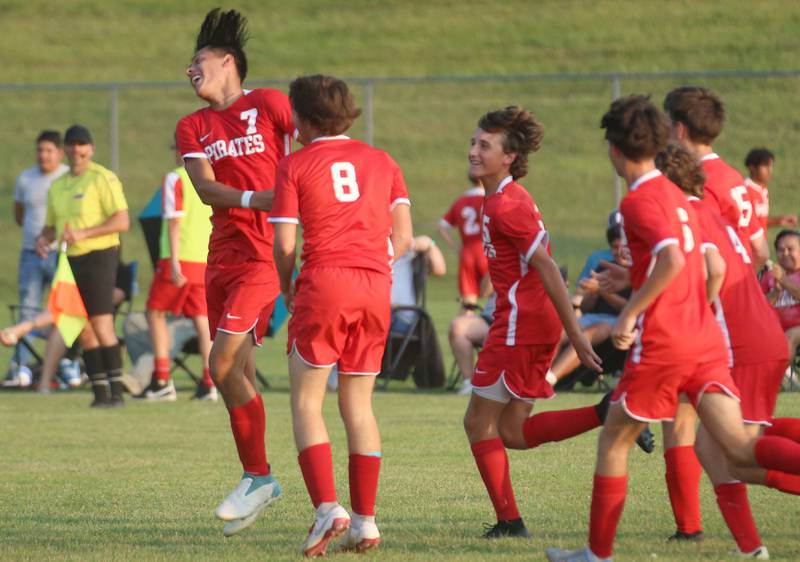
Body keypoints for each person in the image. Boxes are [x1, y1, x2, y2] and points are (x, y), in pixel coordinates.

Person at [546, 95, 800, 562]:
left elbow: (672, 259)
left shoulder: (639, 200)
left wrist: (628, 313)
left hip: (667, 342)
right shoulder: (678, 195)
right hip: (706, 341)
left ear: (614, 149)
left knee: (614, 440)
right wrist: (636, 279)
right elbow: (700, 262)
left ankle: (596, 555)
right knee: (738, 446)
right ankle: (744, 547)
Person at [271, 74, 412, 556]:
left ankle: (328, 507)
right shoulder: (383, 161)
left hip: (326, 281)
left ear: (305, 119)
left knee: (307, 402)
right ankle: (366, 522)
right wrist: (373, 269)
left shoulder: (295, 164)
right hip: (376, 286)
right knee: (358, 405)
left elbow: (285, 242)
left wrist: (288, 284)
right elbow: (405, 239)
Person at [176, 8, 295, 536]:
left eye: (198, 60)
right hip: (219, 258)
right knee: (237, 374)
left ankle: (258, 476)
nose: (189, 70)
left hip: (265, 256)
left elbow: (310, 149)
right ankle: (266, 482)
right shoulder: (192, 124)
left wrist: (298, 209)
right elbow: (205, 188)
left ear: (228, 62)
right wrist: (261, 196)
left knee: (219, 365)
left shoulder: (268, 103)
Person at [462, 105, 605, 540]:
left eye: (484, 146)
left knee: (478, 423)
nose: (473, 151)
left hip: (518, 326)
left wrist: (576, 335)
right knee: (512, 431)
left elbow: (546, 267)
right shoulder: (502, 198)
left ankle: (510, 522)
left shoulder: (507, 205)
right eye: (473, 142)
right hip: (525, 321)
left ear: (508, 157)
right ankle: (609, 410)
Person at [656, 143, 792, 557]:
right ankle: (750, 549)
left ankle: (750, 547)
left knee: (739, 452)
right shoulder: (713, 213)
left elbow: (712, 270)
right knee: (715, 450)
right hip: (759, 336)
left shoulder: (690, 216)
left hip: (743, 344)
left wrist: (694, 313)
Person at [36, 124, 129, 408]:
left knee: (102, 323)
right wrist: (43, 238)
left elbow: (121, 222)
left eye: (82, 145)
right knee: (82, 326)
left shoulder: (102, 178)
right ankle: (100, 393)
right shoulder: (58, 185)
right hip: (70, 260)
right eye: (72, 145)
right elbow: (52, 227)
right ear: (65, 149)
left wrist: (84, 234)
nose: (77, 150)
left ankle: (117, 392)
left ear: (91, 149)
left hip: (100, 256)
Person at [135, 142, 215, 402]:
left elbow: (174, 221)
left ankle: (161, 380)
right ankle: (209, 382)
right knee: (202, 320)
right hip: (204, 259)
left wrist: (175, 263)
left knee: (154, 312)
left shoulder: (176, 177)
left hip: (178, 259)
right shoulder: (212, 178)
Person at [663, 86, 769, 270]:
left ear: (679, 130)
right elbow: (761, 251)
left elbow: (705, 259)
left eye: (668, 125)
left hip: (718, 290)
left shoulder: (696, 181)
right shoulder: (731, 176)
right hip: (741, 287)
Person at [5, 130, 68, 387]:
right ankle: (21, 367)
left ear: (60, 153)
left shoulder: (66, 177)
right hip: (31, 254)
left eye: (49, 151)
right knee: (28, 307)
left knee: (63, 310)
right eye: (40, 150)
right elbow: (19, 214)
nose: (43, 155)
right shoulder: (25, 179)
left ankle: (66, 363)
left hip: (61, 255)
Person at [546, 224, 630, 384]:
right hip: (593, 316)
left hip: (619, 320)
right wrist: (590, 293)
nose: (619, 252)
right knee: (557, 330)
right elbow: (586, 308)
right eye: (614, 247)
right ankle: (541, 374)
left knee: (588, 334)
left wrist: (601, 290)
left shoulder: (637, 271)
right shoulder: (604, 266)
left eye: (623, 247)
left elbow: (630, 307)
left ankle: (551, 378)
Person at [438, 174, 489, 306]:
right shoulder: (488, 198)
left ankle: (467, 323)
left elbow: (442, 226)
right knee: (495, 297)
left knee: (468, 301)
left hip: (467, 251)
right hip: (486, 250)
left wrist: (456, 247)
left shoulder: (460, 201)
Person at [760, 230, 800, 355]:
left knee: (791, 335)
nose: (785, 253)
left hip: (797, 327)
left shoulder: (780, 276)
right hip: (775, 327)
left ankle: (777, 373)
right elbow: (760, 308)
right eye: (781, 250)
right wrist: (775, 293)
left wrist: (783, 280)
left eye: (790, 249)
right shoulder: (769, 276)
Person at [448, 293, 495, 395]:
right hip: (491, 317)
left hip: (523, 317)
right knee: (458, 327)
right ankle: (469, 383)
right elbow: (485, 290)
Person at [744, 148, 797, 233]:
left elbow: (759, 222)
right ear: (752, 168)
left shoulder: (763, 190)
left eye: (771, 166)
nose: (770, 170)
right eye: (765, 166)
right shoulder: (745, 191)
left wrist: (778, 221)